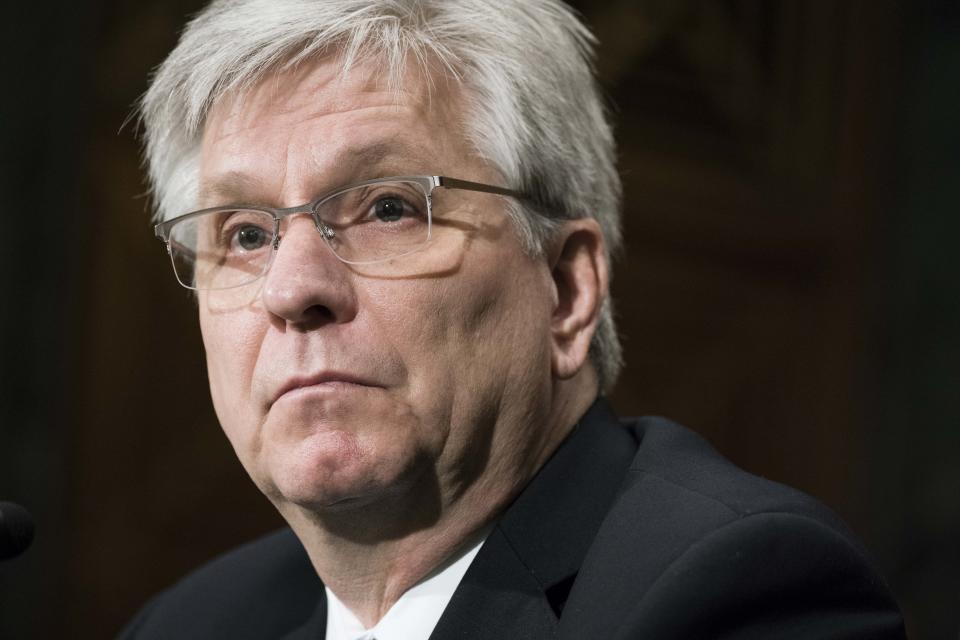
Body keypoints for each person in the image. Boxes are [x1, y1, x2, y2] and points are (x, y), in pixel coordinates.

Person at [120, 1, 906, 638]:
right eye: (245, 234)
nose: (292, 289)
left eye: (389, 208)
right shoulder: (191, 622)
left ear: (566, 290)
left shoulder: (738, 591)